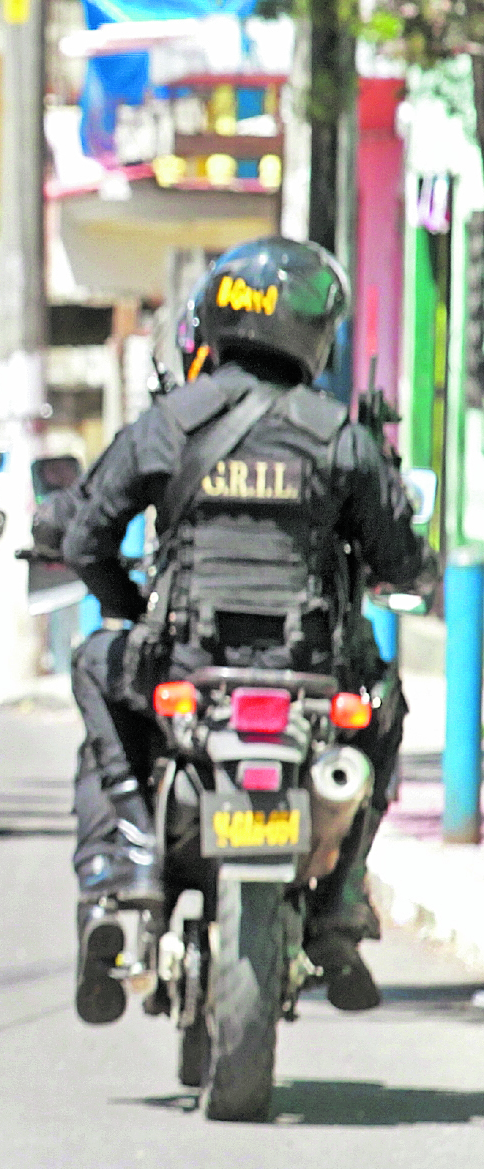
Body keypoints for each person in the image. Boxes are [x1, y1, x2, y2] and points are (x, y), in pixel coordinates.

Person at [59, 237, 430, 1023]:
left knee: (98, 666)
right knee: (383, 708)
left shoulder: (171, 423)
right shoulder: (339, 437)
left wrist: (130, 609)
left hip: (189, 667)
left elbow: (85, 538)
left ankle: (121, 861)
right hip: (312, 676)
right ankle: (338, 903)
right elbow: (400, 555)